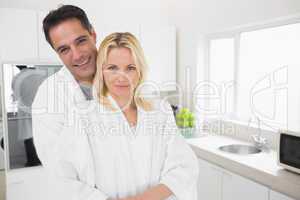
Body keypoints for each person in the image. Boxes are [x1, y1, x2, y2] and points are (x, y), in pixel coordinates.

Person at [47, 32, 199, 200]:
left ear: (140, 71)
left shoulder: (160, 111)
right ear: (101, 71)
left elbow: (184, 167)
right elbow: (63, 179)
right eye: (112, 68)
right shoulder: (82, 116)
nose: (122, 77)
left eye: (130, 68)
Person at [32, 5, 97, 170]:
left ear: (93, 35)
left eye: (81, 41)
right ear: (57, 53)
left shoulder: (124, 76)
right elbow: (57, 167)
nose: (77, 55)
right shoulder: (48, 96)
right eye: (64, 49)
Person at [12, 65, 46, 166]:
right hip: (42, 110)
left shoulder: (17, 77)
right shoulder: (41, 74)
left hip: (25, 110)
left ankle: (33, 161)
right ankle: (43, 160)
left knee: (28, 136)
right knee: (42, 135)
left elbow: (16, 94)